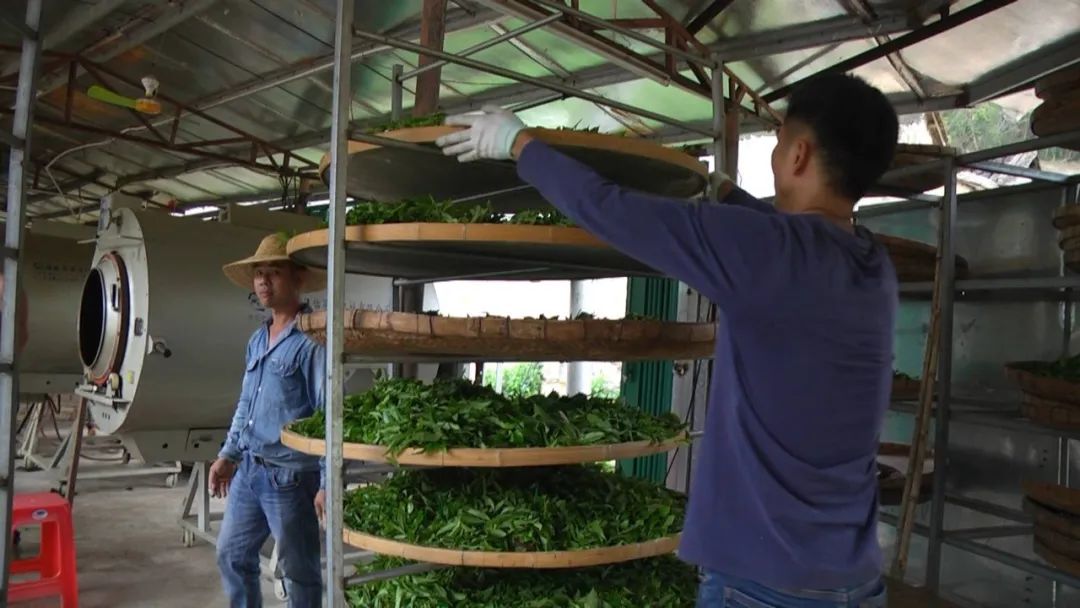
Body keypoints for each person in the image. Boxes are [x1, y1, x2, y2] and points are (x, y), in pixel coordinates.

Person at [436, 73, 898, 608]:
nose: (774, 159)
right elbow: (783, 236)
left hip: (762, 584)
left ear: (798, 154)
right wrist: (725, 192)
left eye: (775, 145)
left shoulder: (766, 251)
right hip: (855, 581)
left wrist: (520, 145)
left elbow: (612, 209)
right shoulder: (871, 262)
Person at [212, 233, 328, 608]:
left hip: (290, 479)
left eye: (273, 273)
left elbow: (328, 414)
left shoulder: (312, 341)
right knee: (231, 554)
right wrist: (228, 455)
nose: (263, 281)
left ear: (296, 279)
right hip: (250, 470)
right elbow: (246, 403)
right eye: (259, 274)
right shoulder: (257, 340)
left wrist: (327, 482)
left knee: (300, 573)